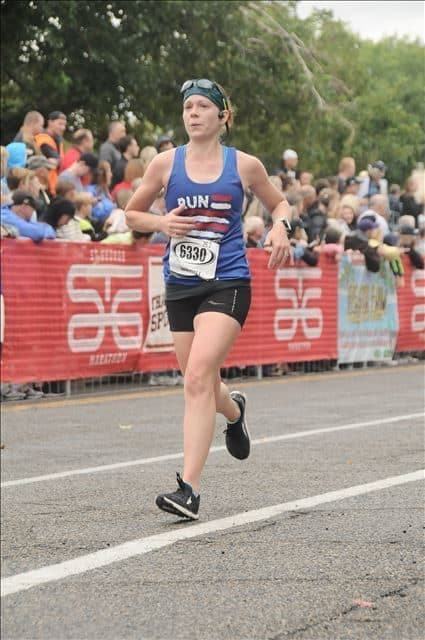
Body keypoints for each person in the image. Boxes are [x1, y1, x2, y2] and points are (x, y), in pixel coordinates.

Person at [125, 78, 290, 520]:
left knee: (197, 376)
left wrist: (280, 228)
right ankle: (234, 412)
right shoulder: (165, 163)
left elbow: (280, 205)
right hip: (180, 285)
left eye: (202, 107)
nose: (193, 113)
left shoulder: (245, 165)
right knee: (202, 383)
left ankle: (189, 491)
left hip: (228, 282)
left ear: (222, 116)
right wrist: (162, 224)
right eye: (188, 107)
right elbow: (132, 213)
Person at [34, 111, 67, 194]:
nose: (63, 128)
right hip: (44, 185)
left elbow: (60, 161)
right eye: (60, 124)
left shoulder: (58, 140)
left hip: (55, 185)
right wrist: (59, 161)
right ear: (50, 122)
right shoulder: (43, 139)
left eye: (64, 125)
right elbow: (57, 161)